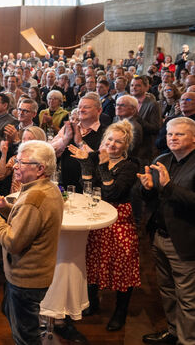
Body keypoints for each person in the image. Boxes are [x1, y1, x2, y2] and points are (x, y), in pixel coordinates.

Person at [0, 140, 63, 345]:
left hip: (26, 279)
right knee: (13, 315)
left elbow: (13, 241)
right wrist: (4, 206)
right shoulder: (48, 188)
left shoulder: (34, 197)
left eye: (22, 162)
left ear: (40, 169)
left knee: (25, 337)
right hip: (34, 275)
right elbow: (28, 223)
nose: (15, 166)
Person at [68, 120, 140, 331]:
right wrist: (85, 164)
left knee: (122, 265)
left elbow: (112, 193)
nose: (112, 144)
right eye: (109, 139)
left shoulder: (130, 165)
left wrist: (100, 164)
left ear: (126, 146)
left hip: (119, 219)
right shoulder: (95, 158)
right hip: (97, 215)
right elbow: (87, 187)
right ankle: (92, 302)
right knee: (94, 259)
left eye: (119, 142)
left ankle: (120, 312)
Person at [138, 117, 195, 345]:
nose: (172, 138)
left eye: (179, 134)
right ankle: (173, 331)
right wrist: (148, 190)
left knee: (188, 298)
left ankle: (187, 340)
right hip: (159, 235)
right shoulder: (162, 159)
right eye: (170, 134)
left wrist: (169, 187)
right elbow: (153, 198)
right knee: (168, 290)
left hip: (185, 239)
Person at [0, 126, 47, 194]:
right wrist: (3, 154)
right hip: (14, 201)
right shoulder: (15, 158)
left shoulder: (44, 162)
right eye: (23, 139)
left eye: (29, 139)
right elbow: (0, 176)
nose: (25, 142)